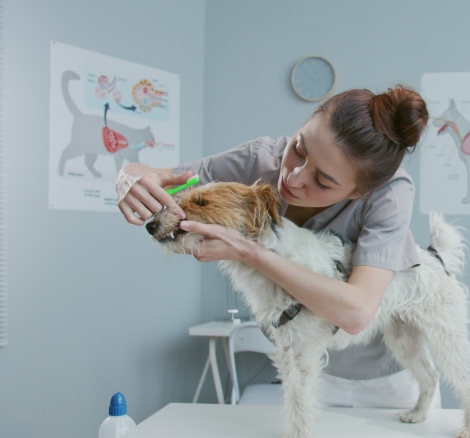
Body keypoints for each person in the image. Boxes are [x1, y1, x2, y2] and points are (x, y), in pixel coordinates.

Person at [116, 86, 441, 409]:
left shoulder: (390, 194)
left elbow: (355, 312)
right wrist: (129, 176)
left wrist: (250, 252)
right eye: (299, 148)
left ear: (359, 193)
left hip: (387, 380)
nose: (293, 177)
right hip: (308, 370)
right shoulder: (259, 160)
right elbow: (162, 177)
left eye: (323, 182)